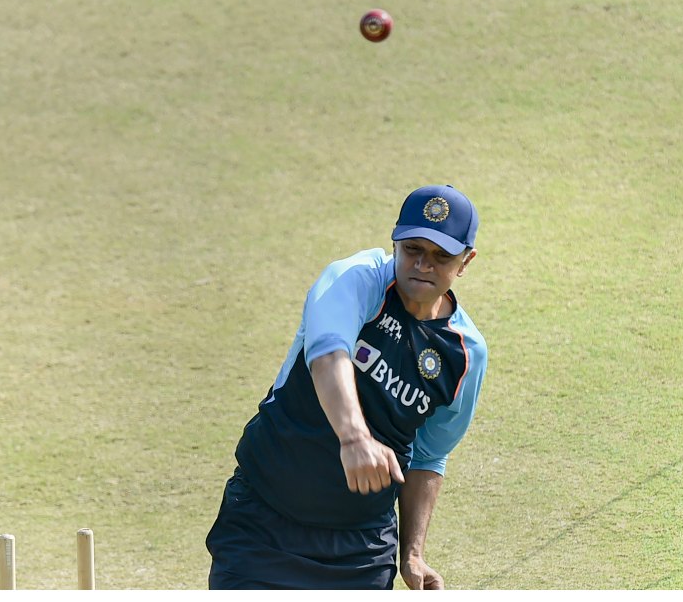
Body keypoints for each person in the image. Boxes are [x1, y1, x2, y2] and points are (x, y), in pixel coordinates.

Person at [206, 184, 488, 590]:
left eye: (441, 256)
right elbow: (327, 353)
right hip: (262, 524)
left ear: (466, 261)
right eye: (412, 249)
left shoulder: (464, 354)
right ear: (394, 241)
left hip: (360, 550)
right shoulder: (357, 279)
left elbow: (429, 455)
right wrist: (354, 437)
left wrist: (412, 553)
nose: (423, 265)